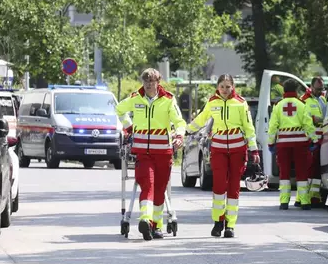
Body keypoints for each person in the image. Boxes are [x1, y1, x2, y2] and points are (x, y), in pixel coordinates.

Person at [115, 68, 185, 241]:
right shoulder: (135, 98)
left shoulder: (168, 100)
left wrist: (179, 135)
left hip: (163, 153)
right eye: (146, 82)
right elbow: (119, 109)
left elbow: (179, 121)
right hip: (143, 153)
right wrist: (129, 127)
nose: (148, 85)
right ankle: (145, 221)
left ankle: (157, 225)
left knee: (160, 190)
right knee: (148, 185)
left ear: (157, 83)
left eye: (152, 82)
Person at [186, 74, 260, 238]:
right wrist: (186, 130)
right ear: (217, 87)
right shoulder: (212, 102)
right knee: (219, 186)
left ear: (233, 87)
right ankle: (218, 222)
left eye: (228, 86)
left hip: (238, 150)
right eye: (222, 87)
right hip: (218, 149)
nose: (225, 90)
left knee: (234, 187)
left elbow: (249, 127)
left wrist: (253, 149)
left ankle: (230, 225)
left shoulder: (241, 103)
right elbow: (201, 119)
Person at [268, 79, 317, 210]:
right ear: (296, 91)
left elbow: (273, 126)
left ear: (284, 90)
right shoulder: (302, 104)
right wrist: (314, 139)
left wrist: (271, 143)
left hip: (283, 144)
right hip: (300, 143)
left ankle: (284, 202)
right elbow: (308, 124)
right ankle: (305, 202)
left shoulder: (278, 105)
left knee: (284, 172)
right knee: (302, 171)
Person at [300, 77, 328, 206]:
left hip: (323, 137)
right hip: (311, 138)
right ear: (311, 86)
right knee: (310, 168)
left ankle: (315, 196)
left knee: (317, 168)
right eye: (317, 89)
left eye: (321, 89)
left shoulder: (322, 99)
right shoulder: (304, 100)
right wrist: (313, 118)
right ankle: (305, 197)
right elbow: (300, 117)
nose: (320, 91)